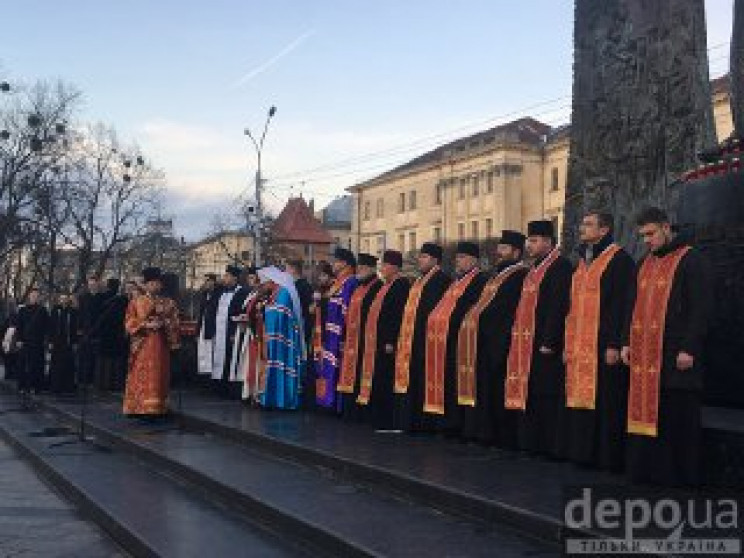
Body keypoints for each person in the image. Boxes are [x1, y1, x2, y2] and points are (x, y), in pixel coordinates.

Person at [621, 207, 711, 486]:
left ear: (666, 227)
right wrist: (625, 341)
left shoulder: (691, 260)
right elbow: (631, 307)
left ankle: (680, 478)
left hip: (676, 356)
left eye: (650, 234)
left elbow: (702, 308)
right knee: (649, 416)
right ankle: (649, 473)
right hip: (645, 358)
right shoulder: (642, 264)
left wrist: (690, 348)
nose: (646, 240)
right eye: (642, 235)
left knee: (677, 418)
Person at [563, 212, 635, 471]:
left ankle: (607, 459)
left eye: (588, 225)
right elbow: (572, 307)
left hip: (604, 346)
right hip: (581, 345)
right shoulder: (582, 261)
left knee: (607, 403)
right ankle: (583, 454)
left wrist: (615, 343)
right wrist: (568, 343)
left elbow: (622, 305)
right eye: (582, 224)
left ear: (604, 230)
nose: (582, 228)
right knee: (581, 402)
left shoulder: (620, 260)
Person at [505, 220, 573, 458]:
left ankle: (547, 445)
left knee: (546, 393)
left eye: (533, 241)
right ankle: (530, 442)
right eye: (529, 241)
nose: (529, 245)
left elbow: (559, 306)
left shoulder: (561, 267)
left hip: (546, 344)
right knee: (531, 392)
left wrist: (550, 340)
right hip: (526, 343)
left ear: (548, 242)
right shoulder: (533, 269)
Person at [458, 230, 528, 445]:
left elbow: (503, 308)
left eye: (504, 248)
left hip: (500, 339)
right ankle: (483, 431)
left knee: (496, 389)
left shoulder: (519, 274)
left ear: (516, 252)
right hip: (485, 338)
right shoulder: (497, 275)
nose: (499, 252)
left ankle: (496, 435)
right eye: (499, 247)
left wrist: (481, 319)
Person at [424, 241, 488, 435]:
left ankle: (456, 425)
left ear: (473, 260)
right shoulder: (455, 281)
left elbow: (468, 308)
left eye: (461, 258)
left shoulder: (479, 280)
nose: (457, 261)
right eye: (457, 257)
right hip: (445, 339)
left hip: (462, 340)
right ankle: (445, 423)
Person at [393, 243, 451, 432]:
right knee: (412, 381)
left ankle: (422, 424)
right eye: (420, 256)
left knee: (422, 382)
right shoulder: (418, 281)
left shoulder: (441, 280)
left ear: (435, 260)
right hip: (411, 341)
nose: (420, 259)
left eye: (424, 257)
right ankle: (409, 423)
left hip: (426, 341)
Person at [355, 250, 410, 430]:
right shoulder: (387, 285)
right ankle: (375, 417)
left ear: (394, 267)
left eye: (385, 266)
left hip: (387, 342)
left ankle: (385, 419)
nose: (382, 269)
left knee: (385, 379)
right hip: (376, 340)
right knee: (377, 378)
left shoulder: (401, 285)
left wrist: (390, 341)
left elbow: (395, 315)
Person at [123, 267, 180, 417]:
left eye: (157, 283)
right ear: (146, 285)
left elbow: (175, 322)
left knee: (159, 375)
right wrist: (144, 325)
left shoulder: (168, 303)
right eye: (152, 283)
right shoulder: (136, 302)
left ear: (161, 285)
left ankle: (158, 408)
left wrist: (165, 323)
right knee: (141, 375)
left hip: (161, 345)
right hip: (142, 345)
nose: (155, 286)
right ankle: (138, 407)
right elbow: (129, 321)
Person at [337, 253, 382, 422]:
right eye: (359, 268)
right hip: (352, 339)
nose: (359, 272)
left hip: (365, 340)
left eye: (363, 268)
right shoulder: (358, 287)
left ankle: (362, 413)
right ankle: (351, 412)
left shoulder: (377, 287)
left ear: (371, 269)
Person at [255, 266, 306, 410]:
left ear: (272, 282)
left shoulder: (283, 293)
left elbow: (281, 316)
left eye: (265, 283)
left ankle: (282, 400)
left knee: (281, 368)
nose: (263, 286)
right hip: (273, 338)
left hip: (283, 339)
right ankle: (272, 398)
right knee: (272, 367)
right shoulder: (274, 294)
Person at [316, 248, 358, 411]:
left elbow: (347, 310)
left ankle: (336, 404)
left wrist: (344, 336)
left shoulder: (350, 282)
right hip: (330, 332)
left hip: (340, 334)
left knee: (337, 368)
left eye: (336, 261)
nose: (333, 264)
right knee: (328, 367)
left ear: (345, 263)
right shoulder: (337, 283)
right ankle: (327, 401)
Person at [211, 265, 248, 397]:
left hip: (231, 332)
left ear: (234, 278)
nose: (224, 278)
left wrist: (233, 332)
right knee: (218, 358)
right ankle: (218, 386)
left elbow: (240, 312)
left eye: (227, 276)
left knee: (230, 359)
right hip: (219, 331)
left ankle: (229, 389)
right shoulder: (221, 292)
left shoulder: (242, 292)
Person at [286, 260, 315, 407]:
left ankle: (300, 391)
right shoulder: (292, 286)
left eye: (287, 269)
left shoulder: (304, 287)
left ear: (293, 270)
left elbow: (308, 310)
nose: (285, 273)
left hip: (302, 329)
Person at [307, 261, 334, 407]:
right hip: (315, 333)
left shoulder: (332, 290)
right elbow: (311, 311)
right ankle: (317, 398)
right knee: (316, 366)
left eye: (323, 275)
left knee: (324, 367)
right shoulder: (318, 291)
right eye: (319, 276)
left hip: (326, 333)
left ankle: (324, 399)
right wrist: (313, 306)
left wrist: (321, 302)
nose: (320, 279)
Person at [95, 278, 129, 391]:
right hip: (116, 333)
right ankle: (114, 384)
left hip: (104, 332)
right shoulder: (122, 300)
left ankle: (102, 384)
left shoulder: (101, 297)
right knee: (115, 360)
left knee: (103, 359)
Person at [16, 288, 49, 394]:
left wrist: (46, 339)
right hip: (25, 341)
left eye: (36, 296)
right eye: (33, 296)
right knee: (23, 365)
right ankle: (23, 386)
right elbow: (19, 326)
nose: (34, 297)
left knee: (37, 365)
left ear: (39, 298)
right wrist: (19, 339)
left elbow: (47, 327)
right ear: (29, 297)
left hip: (38, 342)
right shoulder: (22, 310)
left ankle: (36, 387)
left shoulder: (43, 310)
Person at [77, 274, 105, 385]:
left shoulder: (102, 298)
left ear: (97, 284)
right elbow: (81, 313)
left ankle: (94, 380)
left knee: (96, 356)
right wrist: (79, 328)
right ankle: (84, 379)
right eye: (90, 284)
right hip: (85, 330)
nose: (92, 286)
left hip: (98, 330)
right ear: (88, 285)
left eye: (94, 284)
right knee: (84, 355)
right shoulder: (83, 297)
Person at [48, 292, 78, 394]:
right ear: (59, 300)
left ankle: (67, 387)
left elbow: (74, 328)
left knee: (68, 365)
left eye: (65, 299)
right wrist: (50, 341)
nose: (64, 300)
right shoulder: (55, 310)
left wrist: (74, 342)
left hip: (68, 342)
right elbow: (51, 327)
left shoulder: (72, 311)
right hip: (57, 342)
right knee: (56, 365)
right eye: (62, 298)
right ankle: (55, 386)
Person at [196, 274, 220, 381]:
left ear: (213, 282)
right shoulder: (204, 295)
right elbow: (201, 314)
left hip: (213, 329)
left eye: (208, 281)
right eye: (204, 281)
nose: (206, 283)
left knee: (212, 355)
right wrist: (197, 331)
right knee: (203, 355)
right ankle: (205, 379)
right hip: (204, 327)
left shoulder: (218, 294)